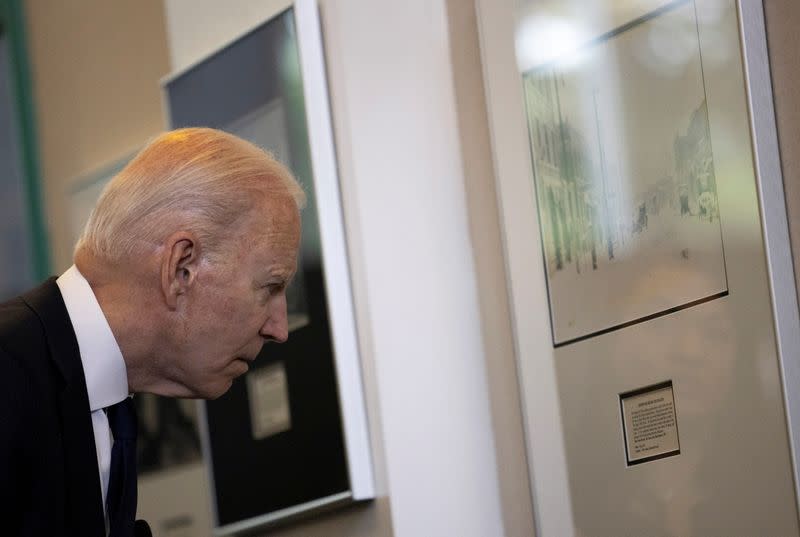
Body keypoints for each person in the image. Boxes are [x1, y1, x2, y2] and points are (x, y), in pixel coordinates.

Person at [0, 128, 305, 537]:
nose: (279, 329)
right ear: (182, 268)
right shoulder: (9, 374)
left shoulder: (102, 408)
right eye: (269, 287)